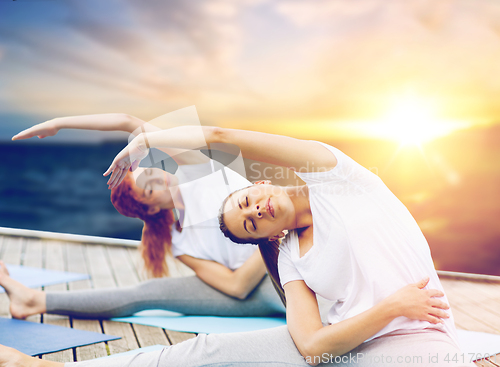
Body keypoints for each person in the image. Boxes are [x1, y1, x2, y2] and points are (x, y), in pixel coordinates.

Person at [0, 124, 471, 367]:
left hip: (419, 343)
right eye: (249, 224)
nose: (256, 210)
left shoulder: (341, 179)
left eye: (247, 201)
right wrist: (389, 308)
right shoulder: (288, 257)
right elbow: (311, 345)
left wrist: (145, 139)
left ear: (260, 183)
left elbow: (219, 137)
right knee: (204, 351)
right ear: (263, 239)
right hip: (353, 339)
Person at [0, 114, 285, 322]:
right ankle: (33, 300)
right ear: (149, 209)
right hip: (260, 287)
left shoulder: (201, 171)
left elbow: (128, 122)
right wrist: (275, 236)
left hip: (290, 263)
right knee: (145, 292)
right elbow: (237, 287)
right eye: (150, 188)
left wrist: (60, 124)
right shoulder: (180, 243)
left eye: (152, 172)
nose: (161, 178)